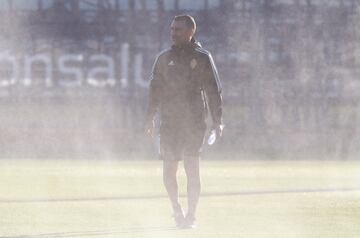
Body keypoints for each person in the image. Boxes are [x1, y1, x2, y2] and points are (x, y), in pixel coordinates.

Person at [145, 15, 223, 229]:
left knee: (191, 167)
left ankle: (192, 215)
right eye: (171, 29)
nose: (173, 33)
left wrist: (218, 120)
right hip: (169, 122)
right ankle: (176, 209)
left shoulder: (203, 57)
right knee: (169, 170)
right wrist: (150, 117)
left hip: (194, 122)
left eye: (178, 29)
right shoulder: (163, 58)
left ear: (190, 32)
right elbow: (154, 90)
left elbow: (213, 90)